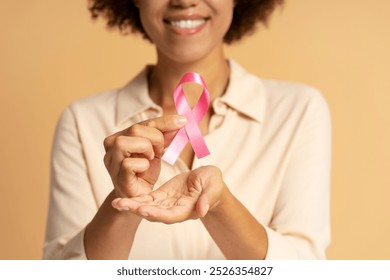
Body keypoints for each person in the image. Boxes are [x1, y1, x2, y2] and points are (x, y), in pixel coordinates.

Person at [44, 0, 331, 260]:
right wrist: (122, 201)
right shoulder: (82, 121)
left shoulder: (299, 111)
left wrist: (220, 206)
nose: (184, 1)